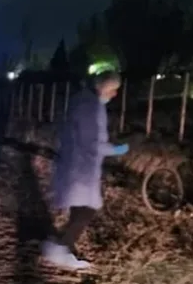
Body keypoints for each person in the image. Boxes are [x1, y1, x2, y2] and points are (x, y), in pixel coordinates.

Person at [43, 70, 129, 270]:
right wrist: (117, 149)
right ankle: (61, 249)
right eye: (113, 90)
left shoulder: (82, 100)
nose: (115, 94)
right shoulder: (91, 107)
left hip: (75, 163)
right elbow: (92, 143)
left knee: (80, 209)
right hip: (82, 167)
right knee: (86, 211)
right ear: (104, 86)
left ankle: (59, 247)